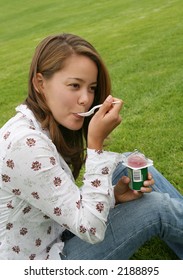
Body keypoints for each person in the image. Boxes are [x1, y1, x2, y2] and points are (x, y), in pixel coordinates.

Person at [0, 33, 183, 260]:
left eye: (91, 88)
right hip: (42, 261)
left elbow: (62, 203)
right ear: (40, 83)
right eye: (74, 85)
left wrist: (113, 197)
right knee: (158, 208)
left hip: (54, 232)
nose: (86, 99)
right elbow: (91, 229)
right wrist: (95, 146)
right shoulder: (25, 146)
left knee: (126, 164)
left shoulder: (36, 123)